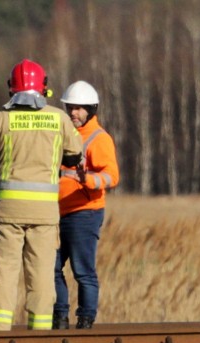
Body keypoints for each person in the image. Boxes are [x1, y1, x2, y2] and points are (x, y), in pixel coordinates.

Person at [0, 59, 83, 331]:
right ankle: (40, 332)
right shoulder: (58, 118)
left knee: (5, 272)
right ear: (43, 88)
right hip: (45, 213)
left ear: (11, 89)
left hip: (9, 211)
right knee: (42, 275)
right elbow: (74, 156)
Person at [53, 81, 120, 329]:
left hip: (84, 212)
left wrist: (88, 180)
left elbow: (112, 176)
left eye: (79, 108)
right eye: (70, 107)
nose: (73, 112)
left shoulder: (98, 138)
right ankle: (59, 317)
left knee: (83, 272)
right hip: (56, 212)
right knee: (50, 268)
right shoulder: (63, 135)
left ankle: (85, 320)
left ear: (91, 109)